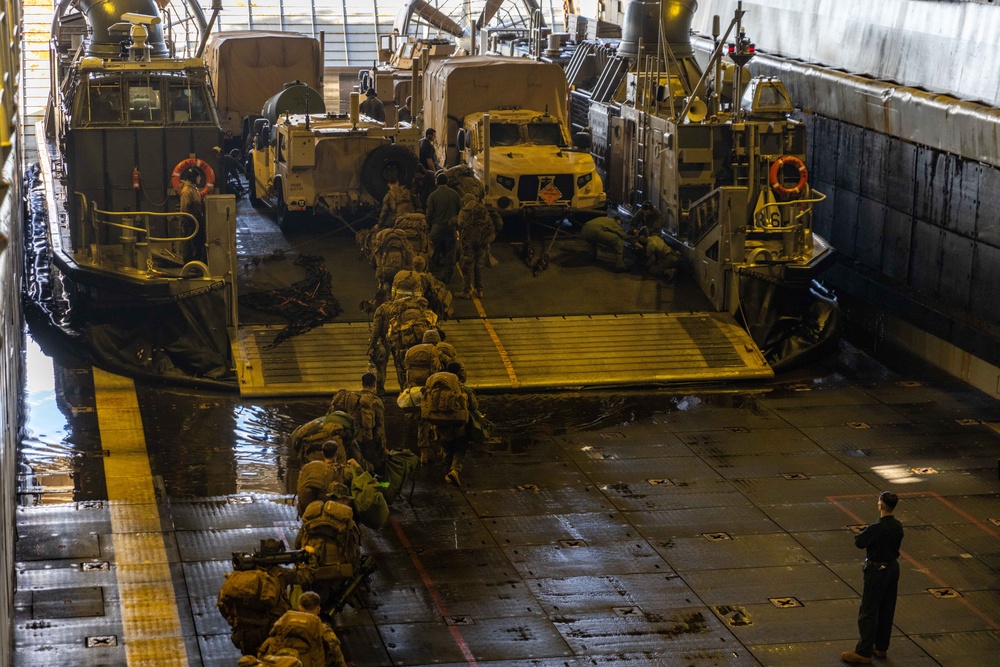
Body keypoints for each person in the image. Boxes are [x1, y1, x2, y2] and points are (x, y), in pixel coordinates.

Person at [217, 539, 314, 656]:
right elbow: (307, 576)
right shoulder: (281, 573)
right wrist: (311, 556)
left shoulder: (247, 573)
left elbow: (224, 604)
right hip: (270, 634)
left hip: (245, 637)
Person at [841, 491, 904, 665]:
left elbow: (859, 542)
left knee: (868, 610)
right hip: (892, 568)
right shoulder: (897, 525)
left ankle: (864, 651)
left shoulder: (877, 527)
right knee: (887, 608)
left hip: (877, 570)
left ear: (881, 505)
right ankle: (881, 647)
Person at [257, 590, 348, 667]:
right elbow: (338, 660)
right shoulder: (324, 631)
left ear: (299, 607)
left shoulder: (282, 625)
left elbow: (263, 653)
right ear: (318, 609)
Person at [295, 440, 358, 518]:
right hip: (333, 511)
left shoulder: (312, 468)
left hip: (313, 511)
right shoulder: (344, 471)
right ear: (337, 454)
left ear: (322, 453)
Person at [425, 172, 462, 283]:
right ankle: (448, 276)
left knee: (428, 248)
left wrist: (428, 226)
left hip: (437, 227)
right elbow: (460, 211)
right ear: (447, 182)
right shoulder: (455, 194)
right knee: (451, 252)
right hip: (451, 228)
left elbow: (429, 213)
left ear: (437, 182)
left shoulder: (433, 195)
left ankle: (426, 273)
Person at [455, 193, 491, 298]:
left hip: (469, 243)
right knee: (479, 267)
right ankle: (479, 291)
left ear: (465, 201)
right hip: (482, 242)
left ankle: (466, 292)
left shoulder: (465, 211)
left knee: (467, 267)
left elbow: (460, 223)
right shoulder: (482, 209)